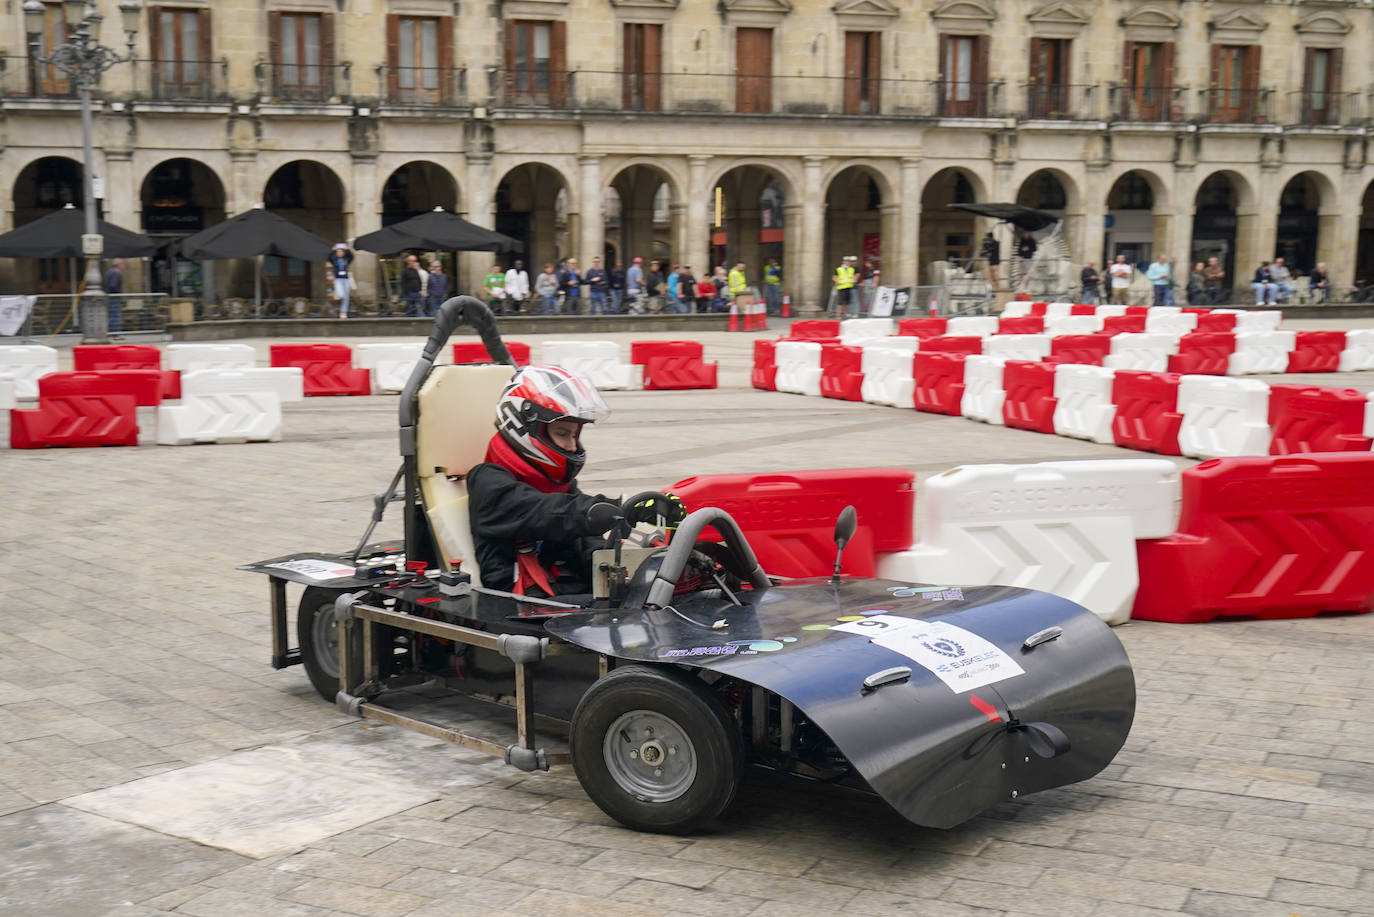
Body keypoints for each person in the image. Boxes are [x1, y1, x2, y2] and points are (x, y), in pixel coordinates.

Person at [467, 366, 679, 595]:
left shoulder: (556, 485)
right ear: (526, 426)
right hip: (515, 605)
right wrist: (617, 509)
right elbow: (549, 513)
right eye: (562, 434)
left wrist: (628, 573)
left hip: (560, 596)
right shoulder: (487, 481)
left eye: (574, 435)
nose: (571, 446)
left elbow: (584, 543)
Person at [327, 243, 354, 318]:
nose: (340, 253)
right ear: (336, 253)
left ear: (343, 253)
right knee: (341, 294)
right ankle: (338, 307)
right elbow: (329, 258)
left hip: (345, 279)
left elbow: (351, 257)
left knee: (346, 297)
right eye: (338, 251)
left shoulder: (346, 260)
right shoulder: (334, 260)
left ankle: (343, 312)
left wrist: (347, 249)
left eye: (341, 251)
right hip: (338, 279)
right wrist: (333, 250)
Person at [104, 258, 124, 334]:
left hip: (109, 296)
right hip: (114, 297)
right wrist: (117, 293)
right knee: (115, 315)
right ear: (119, 265)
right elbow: (113, 285)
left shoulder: (108, 272)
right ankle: (114, 333)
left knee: (111, 314)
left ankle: (110, 332)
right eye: (122, 264)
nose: (123, 266)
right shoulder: (116, 272)